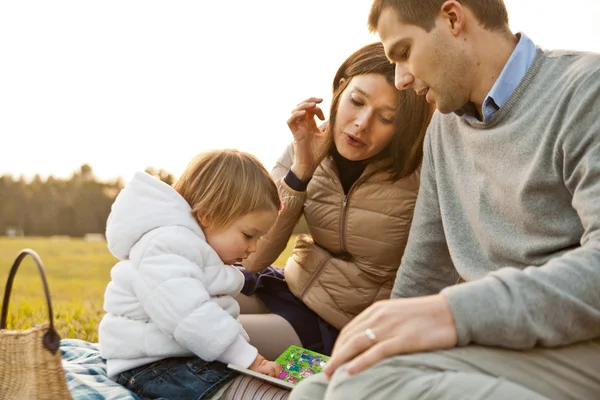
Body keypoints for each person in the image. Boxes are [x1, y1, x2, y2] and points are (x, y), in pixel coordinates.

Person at [291, 0, 600, 399]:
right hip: (493, 343)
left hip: (579, 343)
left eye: (404, 53)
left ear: (453, 19)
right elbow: (424, 267)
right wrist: (381, 338)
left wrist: (452, 312)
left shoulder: (585, 90)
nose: (401, 79)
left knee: (363, 387)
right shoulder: (443, 128)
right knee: (314, 391)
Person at [237, 41, 433, 360]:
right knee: (172, 306)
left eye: (386, 117)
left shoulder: (420, 173)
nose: (361, 123)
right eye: (357, 101)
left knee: (201, 338)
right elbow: (254, 258)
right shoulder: (305, 146)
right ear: (340, 90)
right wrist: (301, 170)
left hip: (341, 324)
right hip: (287, 284)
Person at [98, 150, 285, 400]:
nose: (253, 248)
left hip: (181, 356)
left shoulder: (192, 247)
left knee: (252, 383)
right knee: (252, 393)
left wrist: (247, 357)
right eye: (248, 235)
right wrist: (248, 358)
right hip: (149, 365)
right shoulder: (165, 246)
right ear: (207, 215)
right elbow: (191, 316)